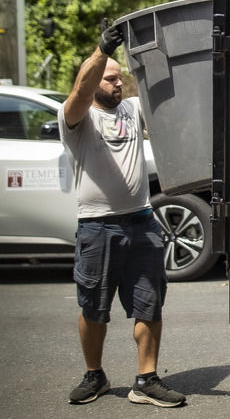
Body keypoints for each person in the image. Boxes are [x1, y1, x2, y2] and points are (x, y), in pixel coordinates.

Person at [61, 22, 186, 408]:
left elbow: (169, 97)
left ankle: (145, 380)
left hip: (143, 222)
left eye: (120, 77)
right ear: (96, 79)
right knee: (93, 306)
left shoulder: (133, 110)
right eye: (110, 78)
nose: (118, 83)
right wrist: (101, 52)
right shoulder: (77, 120)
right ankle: (94, 375)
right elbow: (81, 92)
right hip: (97, 226)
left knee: (150, 304)